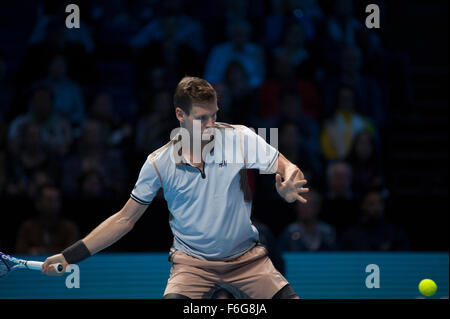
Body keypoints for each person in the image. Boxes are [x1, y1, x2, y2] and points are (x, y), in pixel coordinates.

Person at [42, 76, 309, 299]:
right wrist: (69, 256)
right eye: (202, 119)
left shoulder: (239, 137)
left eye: (214, 116)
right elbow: (124, 219)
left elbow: (287, 166)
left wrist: (288, 184)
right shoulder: (159, 162)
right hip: (192, 266)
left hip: (247, 260)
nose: (211, 126)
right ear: (180, 115)